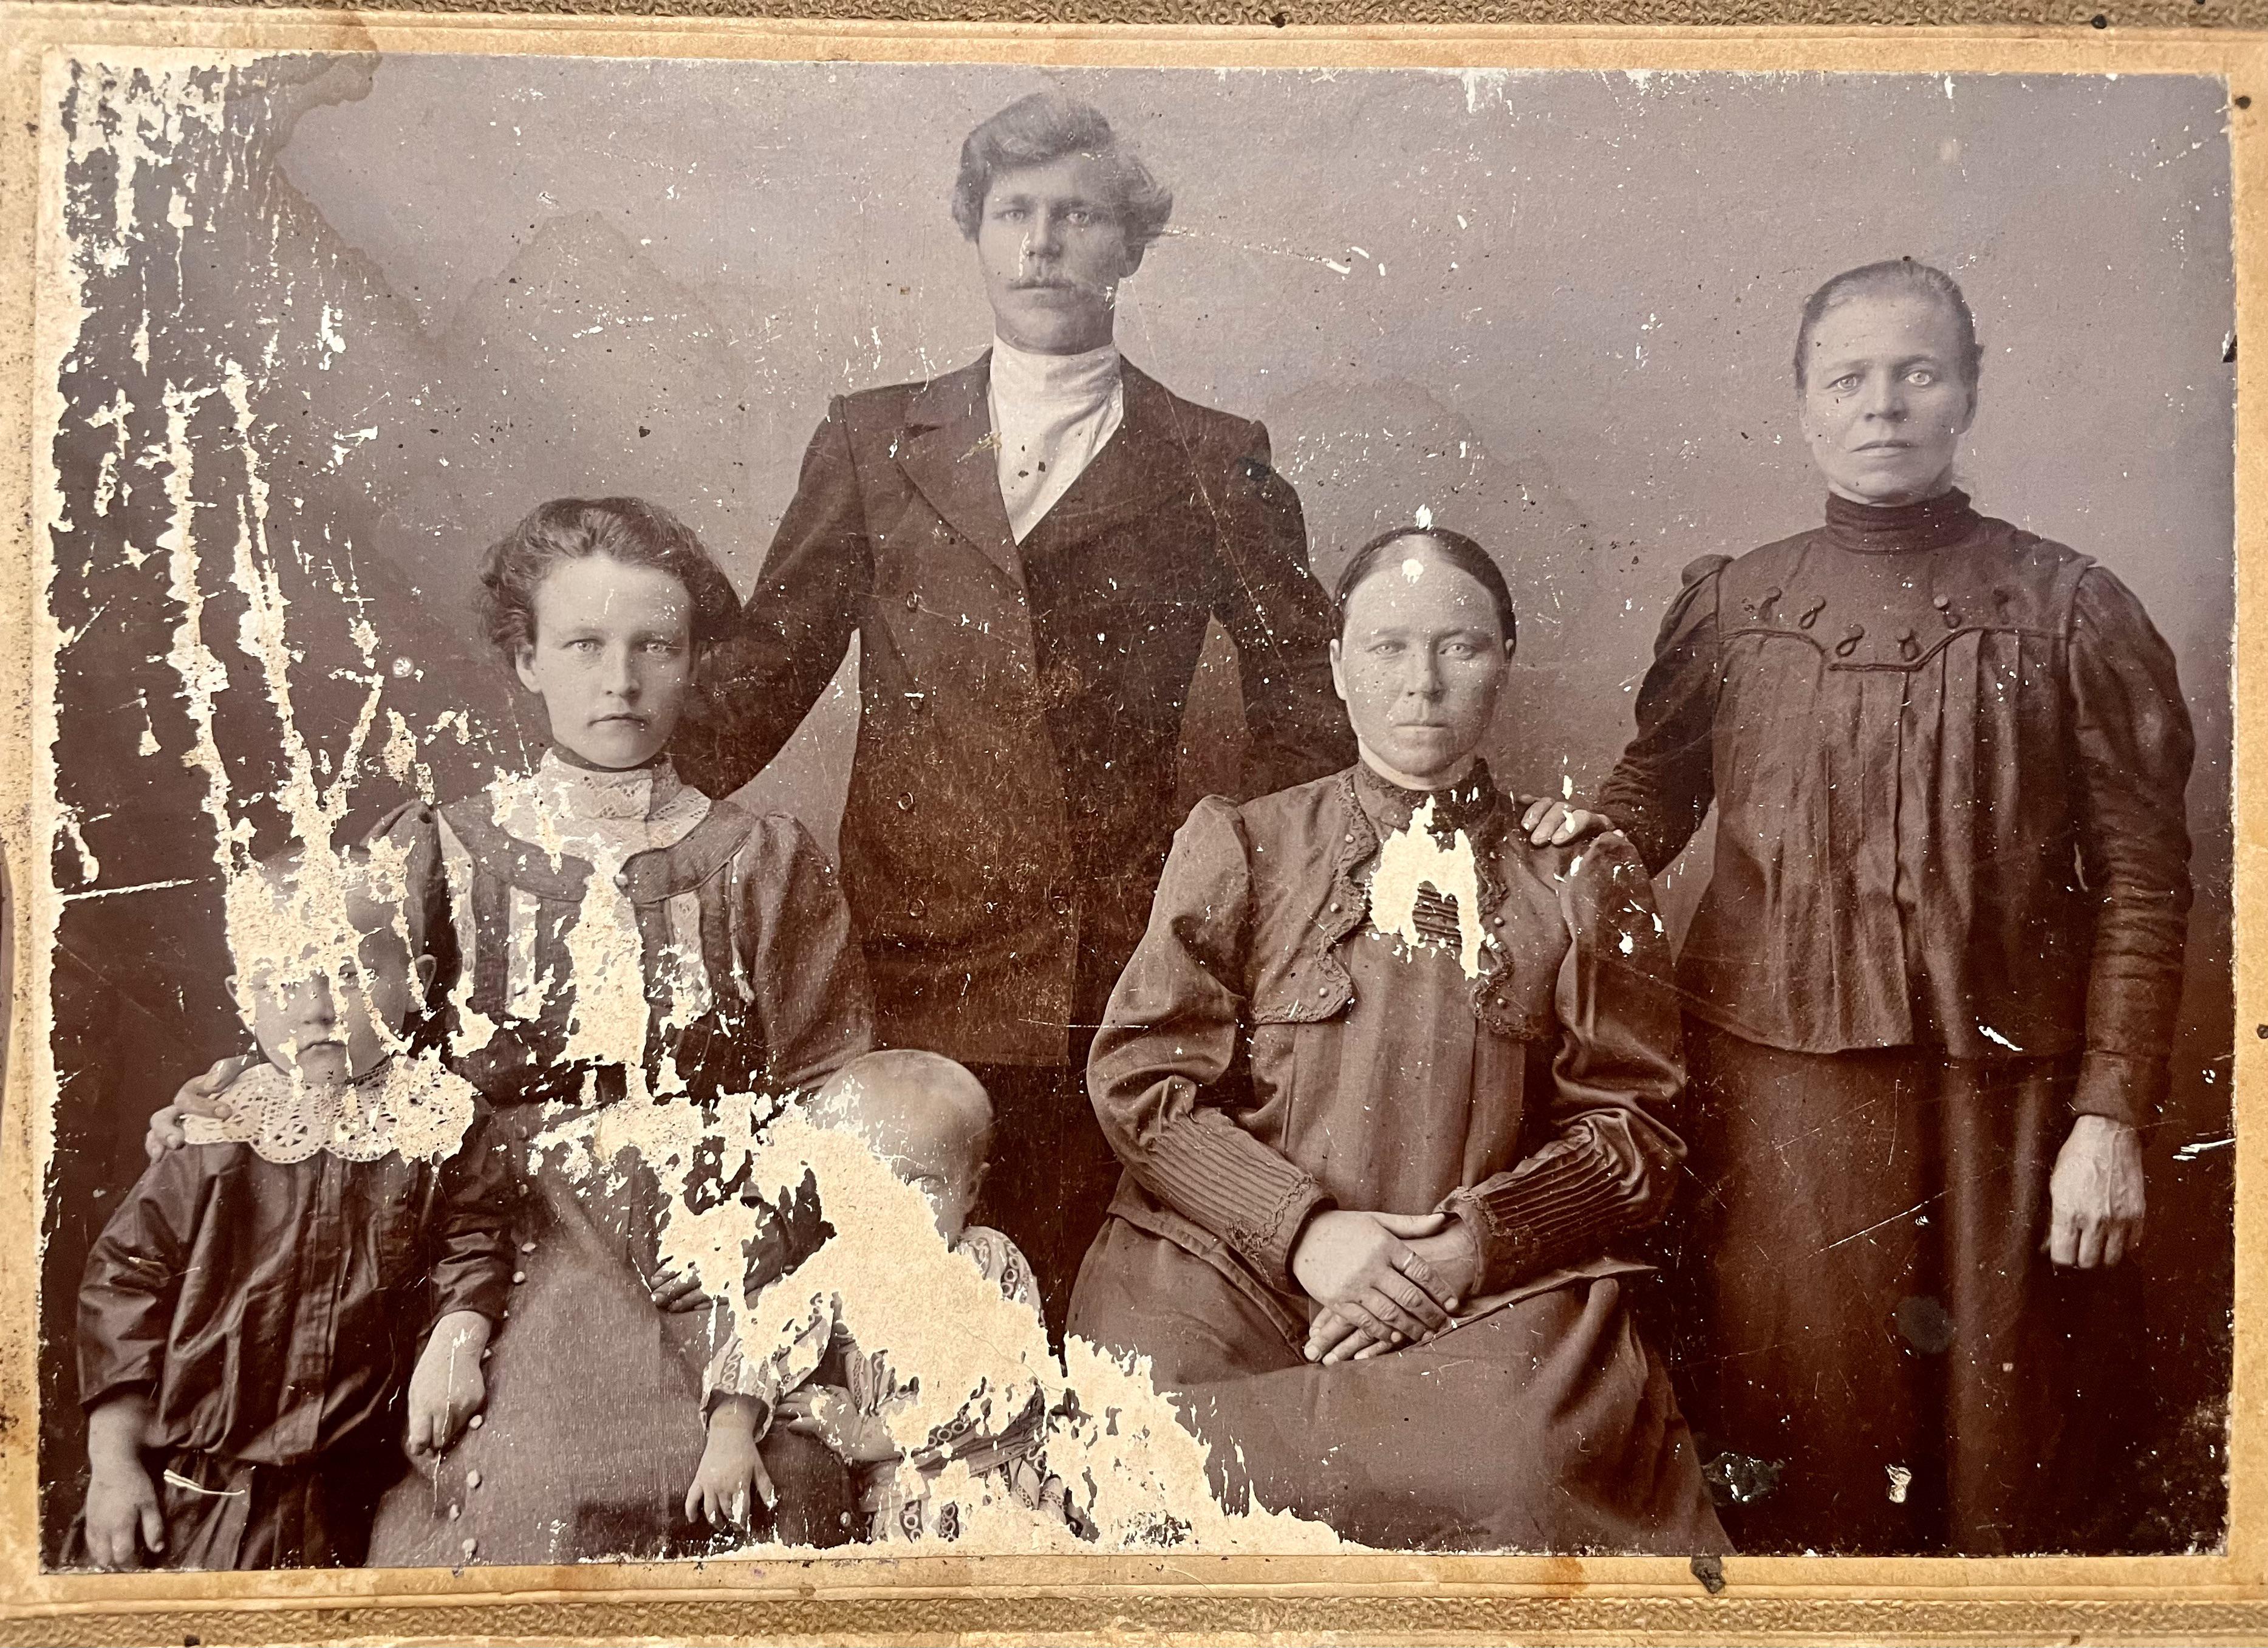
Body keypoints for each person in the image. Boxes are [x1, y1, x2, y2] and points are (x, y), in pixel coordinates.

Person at [671, 91, 1354, 1333]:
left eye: (1079, 214)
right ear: (976, 235)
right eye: (1014, 213)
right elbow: (769, 664)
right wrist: (624, 806)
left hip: (1120, 959)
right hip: (907, 952)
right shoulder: (876, 439)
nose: (1043, 243)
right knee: (901, 1308)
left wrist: (1237, 887)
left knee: (1074, 1308)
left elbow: (1309, 703)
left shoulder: (1211, 453)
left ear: (1130, 244)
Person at [1559, 260, 2193, 1553]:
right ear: (1802, 407)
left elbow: (2144, 880)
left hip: (2004, 1112)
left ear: (1966, 392)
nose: (1883, 405)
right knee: (1799, 1456)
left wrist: (2110, 1115)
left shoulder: (2069, 607)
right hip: (1777, 1113)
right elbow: (1651, 791)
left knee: (2005, 1475)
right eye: (1847, 378)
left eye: (1918, 372)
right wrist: (1593, 836)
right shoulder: (1738, 605)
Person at [151, 497, 877, 1564]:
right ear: (526, 658)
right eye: (582, 644)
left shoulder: (763, 860)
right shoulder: (440, 849)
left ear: (691, 664)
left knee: (786, 1494)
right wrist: (234, 1095)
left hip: (719, 1233)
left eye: (653, 647)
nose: (618, 681)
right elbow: (337, 1026)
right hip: (495, 1233)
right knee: (530, 1490)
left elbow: (834, 1093)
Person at [1066, 526, 1727, 1553]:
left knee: (1517, 1472)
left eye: (1458, 645)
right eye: (1384, 648)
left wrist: (1464, 1249)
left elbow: (1632, 1131)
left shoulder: (1576, 875)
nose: (1420, 681)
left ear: (1503, 659)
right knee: (1152, 1455)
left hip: (1486, 1288)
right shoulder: (1242, 841)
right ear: (1336, 667)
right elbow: (1141, 1084)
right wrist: (1308, 1235)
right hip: (1226, 1272)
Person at [77, 844, 513, 1570]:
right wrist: (114, 1463)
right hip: (197, 1485)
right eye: (283, 983)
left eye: (350, 973)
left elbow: (475, 1238)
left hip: (365, 1490)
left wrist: (457, 1337)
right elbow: (124, 1286)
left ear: (416, 979)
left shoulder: (441, 1118)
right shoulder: (217, 1127)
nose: (316, 1009)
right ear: (244, 995)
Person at [693, 1050, 1092, 1542]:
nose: (893, 1211)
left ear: (970, 1190)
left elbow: (990, 1387)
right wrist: (731, 1428)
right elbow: (767, 1336)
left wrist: (861, 1434)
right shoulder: (839, 1274)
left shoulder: (987, 1260)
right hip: (897, 1517)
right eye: (866, 1189)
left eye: (922, 1184)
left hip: (1004, 1494)